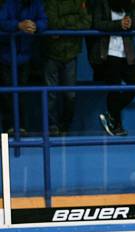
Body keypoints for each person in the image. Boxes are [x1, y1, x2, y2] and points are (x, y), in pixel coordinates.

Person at [93, 0, 135, 137]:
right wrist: (118, 25)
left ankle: (110, 114)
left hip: (127, 53)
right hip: (109, 53)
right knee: (114, 90)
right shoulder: (102, 3)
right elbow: (97, 23)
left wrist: (131, 23)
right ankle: (117, 126)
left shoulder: (130, 4)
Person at [0, 0, 48, 135]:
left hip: (25, 57)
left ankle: (21, 127)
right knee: (7, 94)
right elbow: (2, 22)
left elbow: (44, 21)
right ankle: (8, 127)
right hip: (6, 56)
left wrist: (36, 26)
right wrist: (18, 25)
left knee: (21, 93)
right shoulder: (8, 4)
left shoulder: (37, 4)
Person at [43, 0, 89, 136]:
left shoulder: (79, 2)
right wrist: (73, 22)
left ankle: (65, 126)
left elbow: (86, 22)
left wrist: (62, 29)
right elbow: (52, 22)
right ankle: (52, 126)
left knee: (70, 95)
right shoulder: (50, 3)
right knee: (50, 94)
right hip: (51, 53)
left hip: (71, 53)